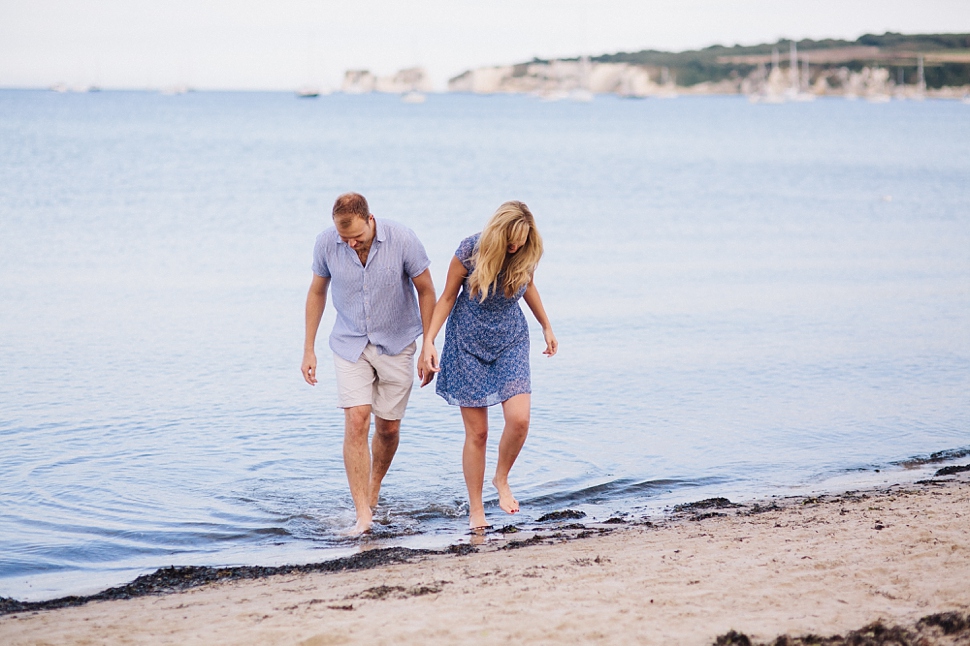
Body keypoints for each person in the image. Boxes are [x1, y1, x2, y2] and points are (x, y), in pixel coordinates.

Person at [302, 192, 436, 535]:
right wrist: (308, 349)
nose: (350, 244)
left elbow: (426, 290)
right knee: (357, 419)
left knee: (388, 428)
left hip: (396, 343)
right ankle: (363, 514)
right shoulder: (326, 244)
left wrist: (428, 344)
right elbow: (317, 292)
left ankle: (373, 491)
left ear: (370, 219)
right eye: (344, 238)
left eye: (357, 237)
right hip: (349, 344)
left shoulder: (403, 239)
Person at [420, 201, 557, 530]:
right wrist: (429, 341)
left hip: (510, 339)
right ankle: (476, 509)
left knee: (519, 420)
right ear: (497, 232)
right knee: (478, 432)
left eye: (521, 240)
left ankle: (501, 478)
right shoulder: (470, 250)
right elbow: (448, 297)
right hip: (466, 342)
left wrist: (546, 326)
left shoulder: (526, 252)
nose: (515, 246)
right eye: (510, 240)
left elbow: (529, 287)